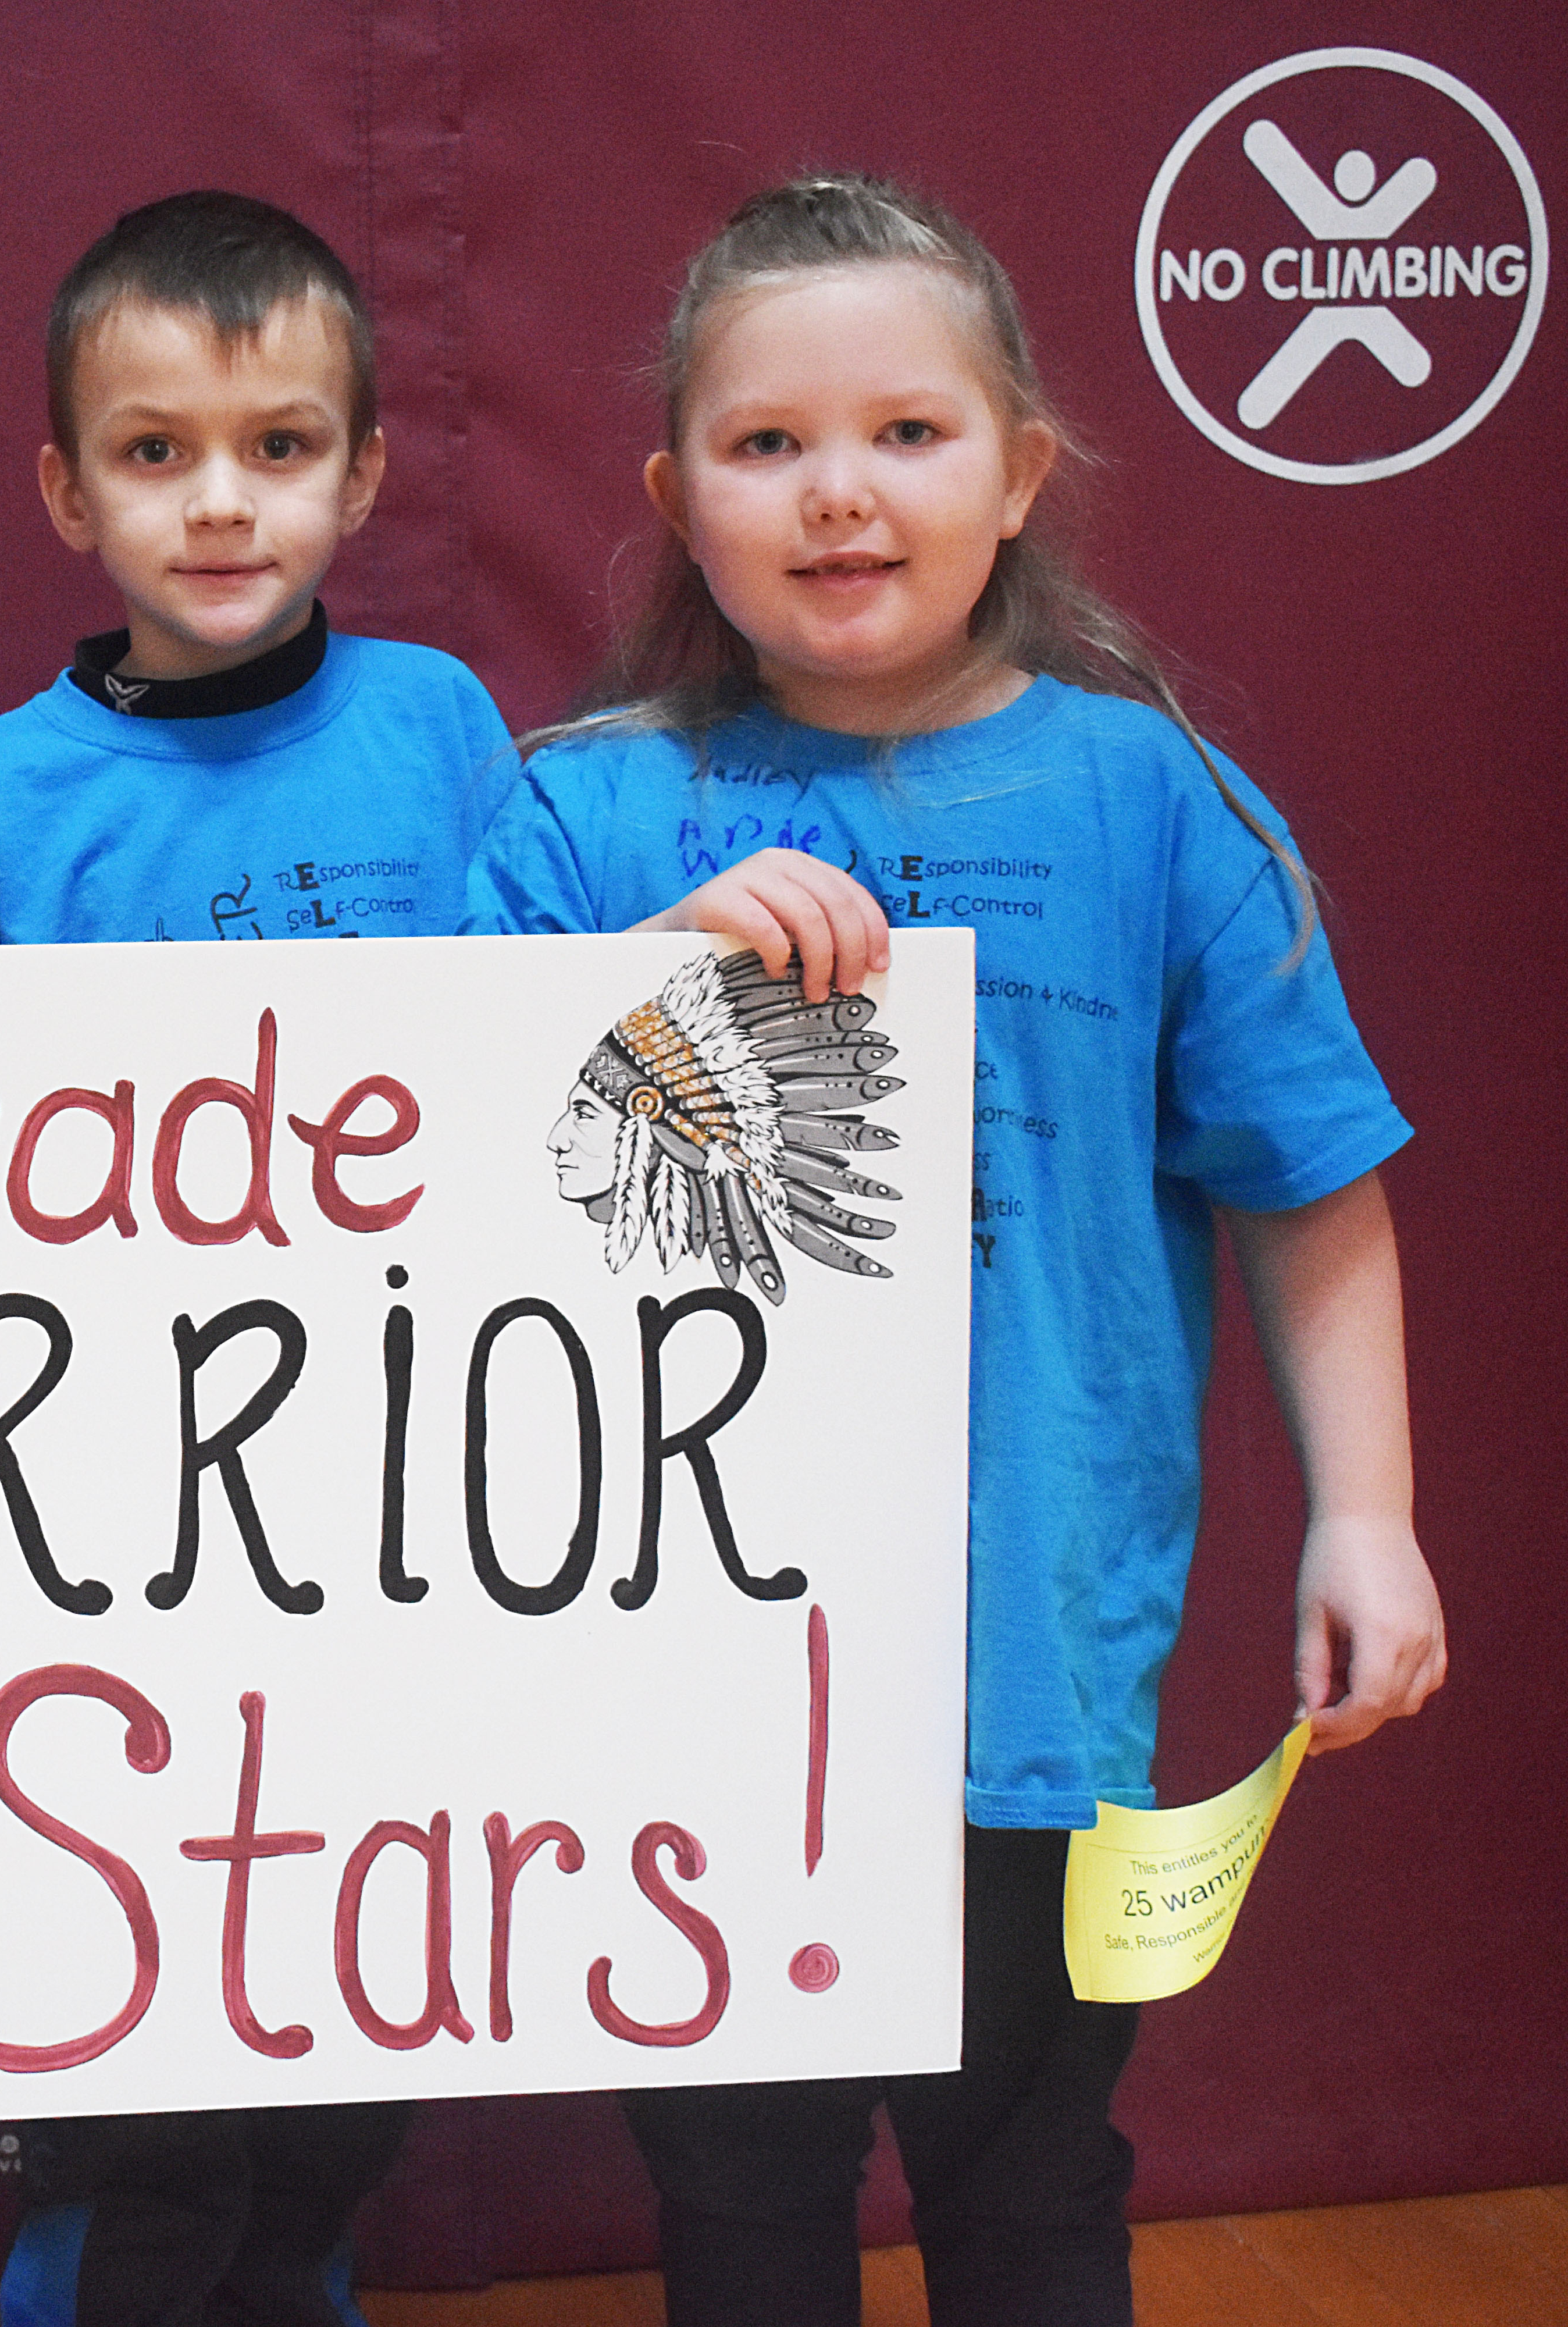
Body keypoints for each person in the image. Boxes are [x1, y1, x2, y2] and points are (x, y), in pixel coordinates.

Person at [467, 173, 1447, 2325]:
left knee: (1025, 2180)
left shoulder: (1159, 801)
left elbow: (1308, 1179)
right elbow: (436, 1188)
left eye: (907, 434)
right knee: (737, 2188)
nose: (838, 494)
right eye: (765, 445)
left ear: (1021, 474)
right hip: (687, 1685)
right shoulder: (585, 817)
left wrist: (1364, 1516)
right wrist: (631, 984)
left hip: (1032, 1663)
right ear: (675, 497)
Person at [0, 190, 515, 2327]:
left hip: (394, 1507)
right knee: (132, 2057)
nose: (221, 500)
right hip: (103, 1540)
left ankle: (301, 2269)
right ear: (71, 490)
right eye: (157, 452)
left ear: (363, 469)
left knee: (341, 2028)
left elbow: (530, 1069)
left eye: (277, 446)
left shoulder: (442, 727)